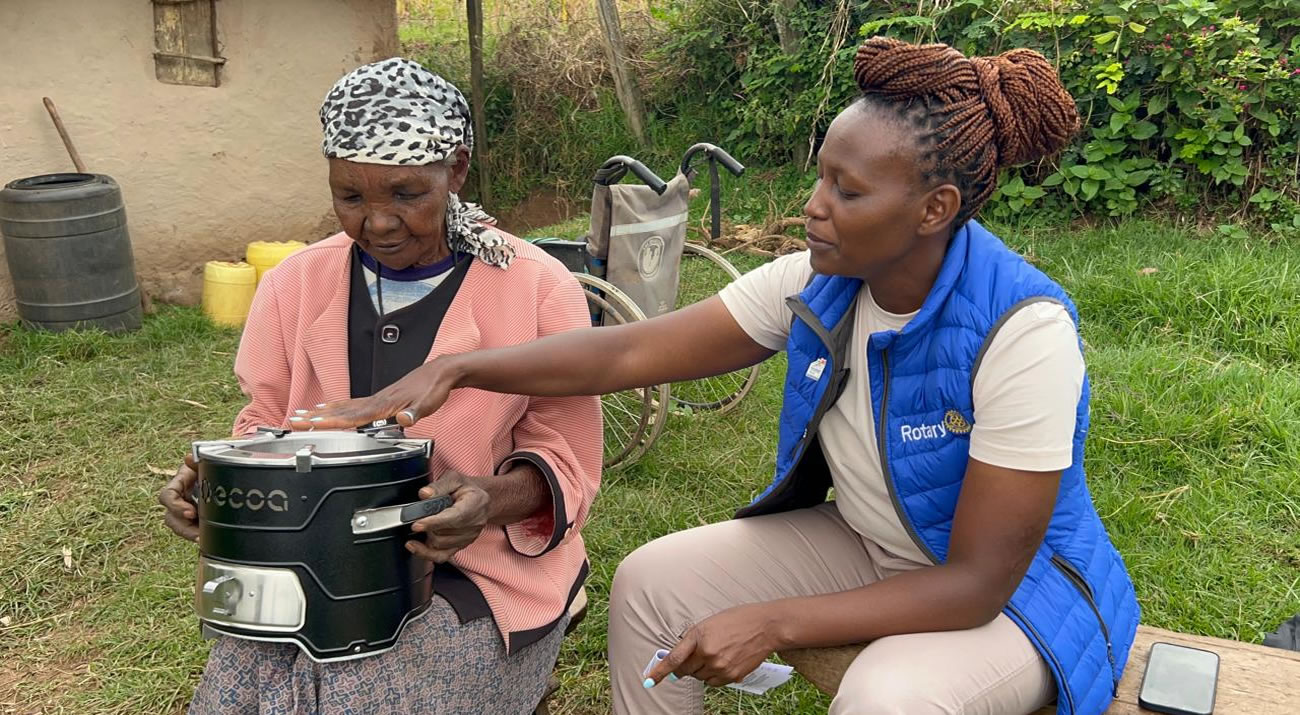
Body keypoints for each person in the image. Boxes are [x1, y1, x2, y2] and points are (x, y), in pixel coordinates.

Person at [300, 38, 1140, 715]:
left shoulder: (1023, 332)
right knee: (647, 586)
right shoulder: (817, 284)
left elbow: (975, 583)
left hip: (1016, 600)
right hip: (870, 549)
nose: (813, 205)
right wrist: (458, 366)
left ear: (935, 210)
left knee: (890, 697)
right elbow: (629, 352)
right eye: (820, 176)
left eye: (846, 190)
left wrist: (772, 621)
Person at [156, 58, 602, 714]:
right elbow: (265, 423)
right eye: (351, 197)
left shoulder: (535, 289)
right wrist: (223, 486)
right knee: (239, 686)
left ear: (455, 170)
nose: (378, 223)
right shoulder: (295, 285)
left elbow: (566, 465)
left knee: (356, 690)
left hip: (477, 570)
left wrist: (488, 498)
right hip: (309, 565)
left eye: (405, 194)